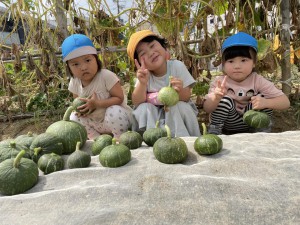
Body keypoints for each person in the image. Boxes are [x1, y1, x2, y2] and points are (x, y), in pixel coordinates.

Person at [203, 32, 290, 135]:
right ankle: (215, 130)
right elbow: (207, 108)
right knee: (223, 100)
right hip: (229, 124)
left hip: (252, 122)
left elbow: (285, 102)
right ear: (223, 64)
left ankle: (262, 130)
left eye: (243, 60)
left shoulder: (258, 80)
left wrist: (265, 103)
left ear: (254, 63)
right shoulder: (220, 82)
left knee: (263, 98)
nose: (237, 66)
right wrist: (215, 98)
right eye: (231, 61)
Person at [126, 30, 200, 137]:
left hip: (177, 116)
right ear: (138, 63)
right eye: (143, 53)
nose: (151, 53)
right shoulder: (144, 75)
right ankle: (151, 139)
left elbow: (187, 96)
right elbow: (137, 101)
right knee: (143, 108)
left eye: (152, 46)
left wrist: (179, 91)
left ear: (163, 47)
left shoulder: (177, 66)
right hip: (155, 119)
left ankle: (183, 139)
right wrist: (142, 84)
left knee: (179, 106)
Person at [61, 34, 132, 140]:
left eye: (88, 60)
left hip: (115, 120)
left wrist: (97, 104)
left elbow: (119, 98)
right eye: (75, 64)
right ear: (69, 68)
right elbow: (77, 101)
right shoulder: (74, 82)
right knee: (74, 117)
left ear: (96, 59)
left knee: (114, 111)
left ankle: (119, 138)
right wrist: (81, 111)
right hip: (95, 123)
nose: (83, 67)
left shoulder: (106, 76)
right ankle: (97, 140)